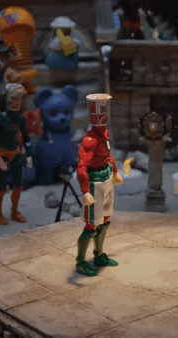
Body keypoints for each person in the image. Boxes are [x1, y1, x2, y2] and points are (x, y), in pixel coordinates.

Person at [74, 94, 124, 277]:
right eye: (99, 109)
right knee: (91, 224)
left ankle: (99, 255)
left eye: (104, 108)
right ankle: (80, 261)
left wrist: (115, 171)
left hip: (107, 178)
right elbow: (81, 167)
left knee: (105, 219)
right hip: (94, 182)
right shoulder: (89, 140)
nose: (102, 114)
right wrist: (85, 191)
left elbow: (108, 156)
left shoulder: (105, 134)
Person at [0, 84, 34, 225]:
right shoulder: (0, 118)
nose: (15, 101)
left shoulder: (20, 119)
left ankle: (14, 211)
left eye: (18, 98)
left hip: (16, 153)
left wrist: (29, 154)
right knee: (1, 188)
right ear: (8, 98)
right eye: (13, 98)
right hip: (2, 155)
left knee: (18, 185)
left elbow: (27, 139)